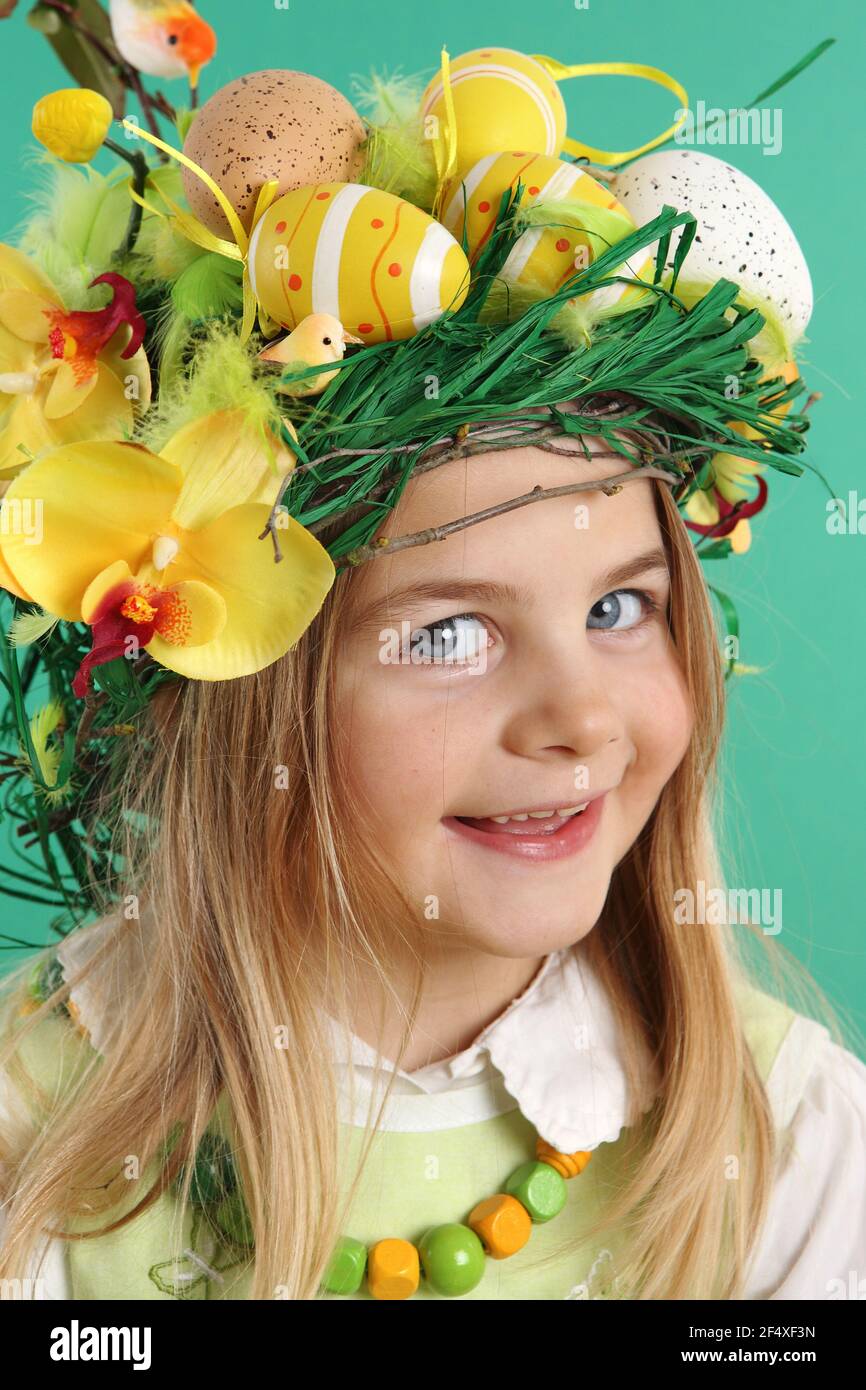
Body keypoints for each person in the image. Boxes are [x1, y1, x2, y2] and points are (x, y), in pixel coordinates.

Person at [1, 39, 863, 1302]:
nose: (578, 717)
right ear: (246, 691)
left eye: (620, 605)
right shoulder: (38, 1132)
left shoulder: (785, 1144)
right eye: (446, 634)